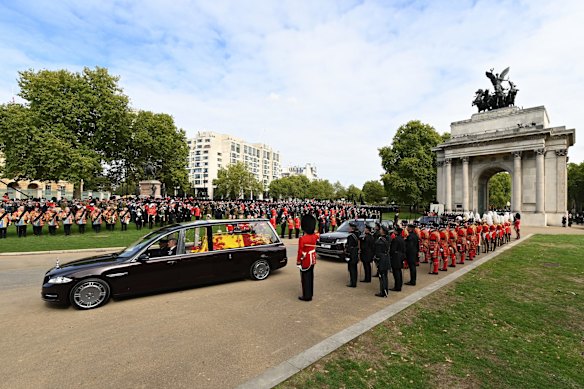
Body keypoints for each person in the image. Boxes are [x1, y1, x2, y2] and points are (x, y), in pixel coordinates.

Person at [297, 214, 318, 301]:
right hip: (312, 258)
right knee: (310, 277)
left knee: (305, 278)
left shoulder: (303, 239)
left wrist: (298, 261)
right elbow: (317, 233)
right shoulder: (315, 236)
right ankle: (310, 293)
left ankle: (306, 296)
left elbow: (300, 252)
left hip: (305, 260)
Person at [374, 224, 390, 297]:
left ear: (383, 231)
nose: (379, 230)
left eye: (381, 230)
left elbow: (378, 251)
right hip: (386, 258)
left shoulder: (380, 241)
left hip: (381, 259)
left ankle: (383, 291)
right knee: (385, 275)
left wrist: (376, 258)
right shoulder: (387, 238)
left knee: (382, 276)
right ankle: (385, 290)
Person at [389, 225, 406, 291]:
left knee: (396, 272)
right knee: (399, 272)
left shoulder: (395, 239)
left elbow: (392, 249)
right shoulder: (402, 239)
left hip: (396, 257)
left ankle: (397, 286)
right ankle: (399, 285)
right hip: (401, 256)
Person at [345, 221, 360, 287]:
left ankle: (353, 283)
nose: (348, 228)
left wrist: (346, 252)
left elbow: (349, 247)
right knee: (354, 268)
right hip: (356, 252)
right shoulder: (357, 234)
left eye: (349, 227)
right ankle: (354, 281)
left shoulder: (351, 236)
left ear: (352, 228)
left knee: (351, 268)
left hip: (352, 253)